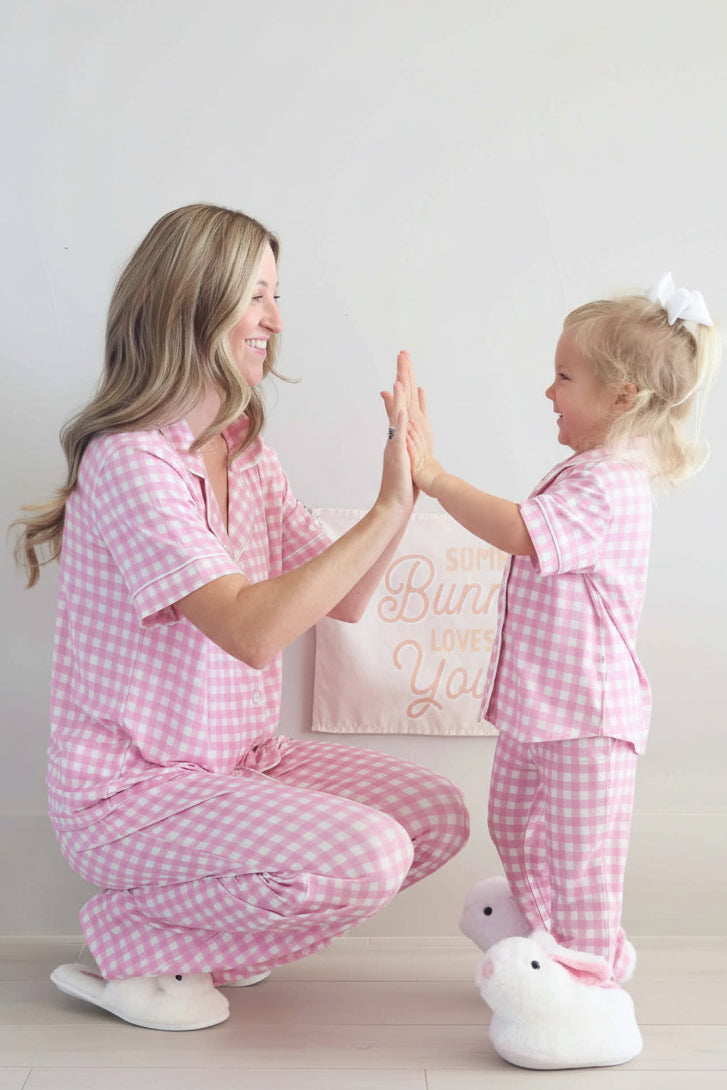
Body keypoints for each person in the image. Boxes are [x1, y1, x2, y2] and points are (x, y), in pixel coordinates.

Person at [12, 203, 469, 1032]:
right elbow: (249, 630)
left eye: (276, 296)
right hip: (130, 796)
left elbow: (349, 598)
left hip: (235, 767)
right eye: (255, 295)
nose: (275, 321)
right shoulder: (129, 460)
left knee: (434, 816)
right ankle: (134, 935)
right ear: (190, 300)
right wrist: (383, 508)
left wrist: (406, 482)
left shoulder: (245, 448)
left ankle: (207, 941)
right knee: (367, 853)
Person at [403, 273, 720, 1068]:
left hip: (586, 717)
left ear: (621, 396)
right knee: (512, 824)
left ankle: (589, 979)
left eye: (564, 377)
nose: (548, 391)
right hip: (537, 709)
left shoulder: (610, 485)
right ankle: (551, 945)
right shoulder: (583, 471)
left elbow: (517, 532)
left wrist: (432, 475)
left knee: (582, 862)